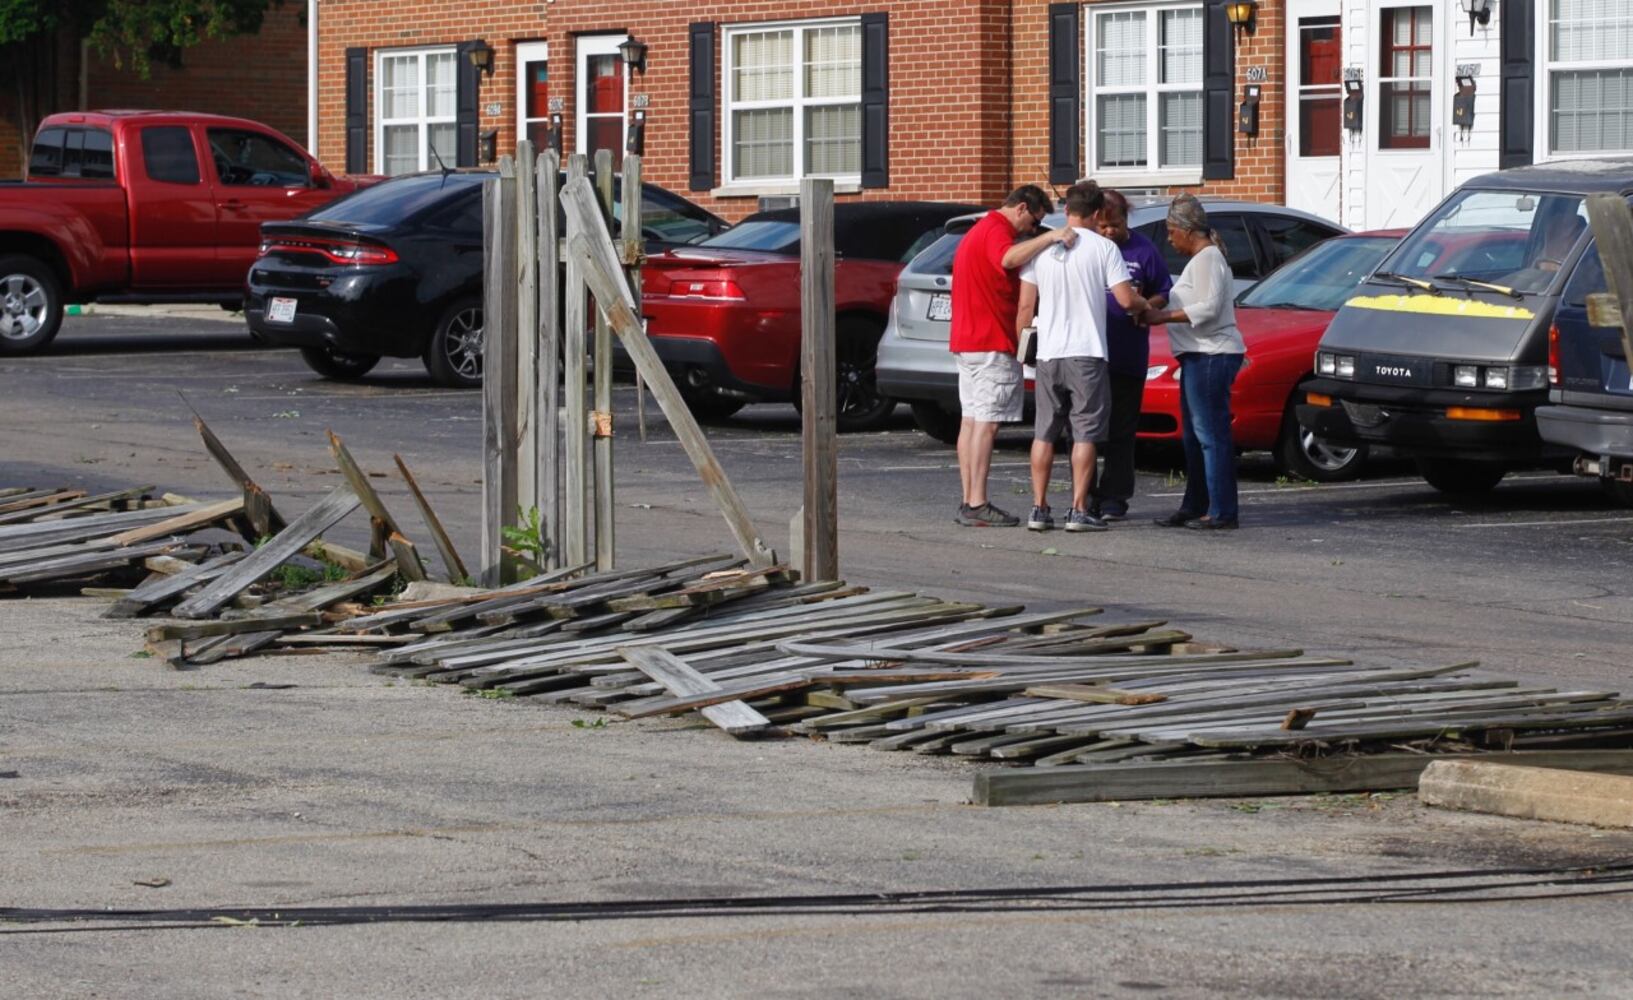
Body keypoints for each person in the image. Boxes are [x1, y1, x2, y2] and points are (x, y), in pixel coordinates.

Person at [1015, 181, 1149, 532]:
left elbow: (1026, 308)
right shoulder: (1104, 248)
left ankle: (1039, 508)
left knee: (1044, 433)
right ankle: (1078, 509)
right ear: (1094, 214)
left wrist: (1024, 349)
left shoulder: (1042, 248)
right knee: (1085, 432)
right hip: (1087, 352)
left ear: (1067, 211)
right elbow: (1123, 299)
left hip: (1048, 352)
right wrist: (1143, 304)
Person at [949, 184, 1077, 527]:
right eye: (1034, 222)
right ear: (1021, 208)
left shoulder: (980, 229)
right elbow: (1007, 258)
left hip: (969, 340)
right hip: (991, 341)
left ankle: (969, 498)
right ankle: (976, 501)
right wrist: (1049, 239)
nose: (1032, 230)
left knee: (972, 421)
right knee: (987, 423)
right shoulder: (996, 230)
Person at [1141, 195, 1246, 531]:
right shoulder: (1201, 260)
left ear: (1186, 230)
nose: (1170, 240)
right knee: (1195, 435)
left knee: (1211, 434)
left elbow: (1209, 308)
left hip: (1212, 353)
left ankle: (1222, 511)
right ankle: (1196, 504)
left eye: (1172, 232)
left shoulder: (1208, 258)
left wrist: (1162, 316)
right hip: (1197, 355)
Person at [1088, 189, 1171, 521]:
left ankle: (1115, 498)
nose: (1110, 232)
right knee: (1088, 429)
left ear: (1127, 220)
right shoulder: (1088, 249)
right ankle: (1086, 496)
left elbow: (1162, 291)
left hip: (1128, 353)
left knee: (1122, 431)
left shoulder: (1143, 250)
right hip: (1092, 353)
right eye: (1104, 226)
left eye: (1116, 225)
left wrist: (1147, 307)